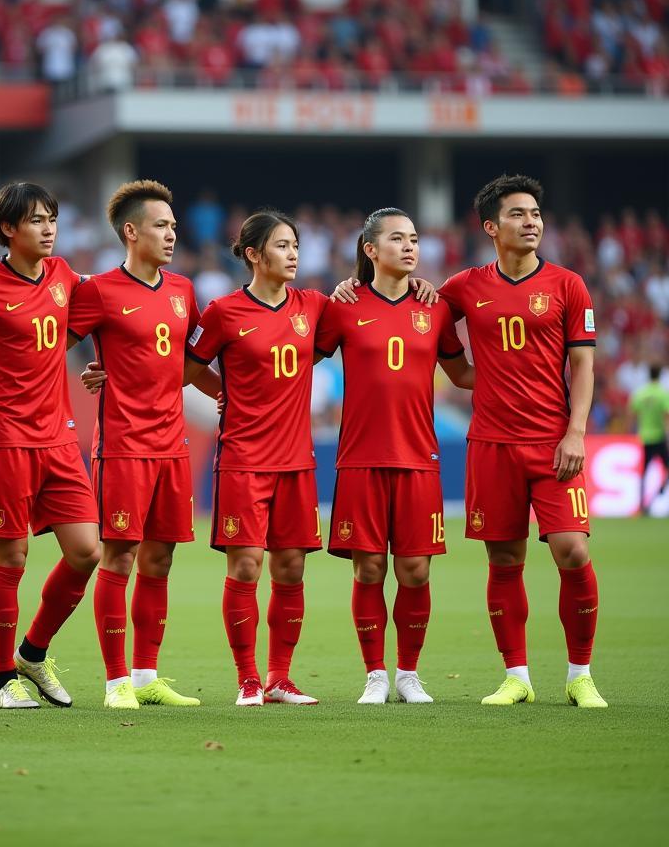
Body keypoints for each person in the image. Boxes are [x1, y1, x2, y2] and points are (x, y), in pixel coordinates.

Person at [339, 175, 605, 707]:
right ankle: (517, 677)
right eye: (518, 214)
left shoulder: (568, 285)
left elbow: (583, 363)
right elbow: (422, 322)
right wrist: (354, 285)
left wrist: (576, 431)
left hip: (555, 442)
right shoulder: (460, 288)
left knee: (572, 551)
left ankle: (580, 675)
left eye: (536, 213)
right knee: (503, 561)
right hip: (490, 443)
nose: (532, 222)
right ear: (491, 227)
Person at [68, 180, 217, 709]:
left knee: (161, 560)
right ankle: (115, 684)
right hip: (123, 445)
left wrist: (233, 399)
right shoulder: (99, 291)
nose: (172, 233)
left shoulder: (182, 291)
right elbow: (46, 342)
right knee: (120, 556)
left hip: (173, 445)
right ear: (131, 232)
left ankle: (147, 674)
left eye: (174, 225)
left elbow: (194, 365)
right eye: (161, 225)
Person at [317, 209, 473, 705]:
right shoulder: (341, 306)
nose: (410, 247)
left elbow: (464, 374)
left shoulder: (436, 308)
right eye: (397, 239)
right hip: (360, 458)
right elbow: (295, 357)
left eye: (415, 239)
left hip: (419, 458)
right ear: (370, 250)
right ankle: (375, 675)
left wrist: (533, 367)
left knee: (416, 572)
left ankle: (408, 673)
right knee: (367, 571)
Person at [184, 211, 329, 706]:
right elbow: (186, 367)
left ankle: (280, 678)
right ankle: (247, 678)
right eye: (283, 246)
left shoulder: (314, 306)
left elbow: (369, 319)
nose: (293, 254)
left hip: (297, 462)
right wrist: (222, 390)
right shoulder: (223, 312)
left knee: (290, 569)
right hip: (243, 458)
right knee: (245, 567)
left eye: (295, 245)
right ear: (253, 254)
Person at [0, 183, 101, 709]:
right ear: (8, 230)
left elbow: (110, 312)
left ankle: (33, 651)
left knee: (87, 551)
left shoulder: (66, 276)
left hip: (61, 438)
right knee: (12, 557)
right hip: (6, 439)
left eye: (52, 219)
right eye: (37, 221)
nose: (48, 229)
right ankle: (3, 681)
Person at [629, 365, 669, 515]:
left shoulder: (641, 393)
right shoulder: (663, 394)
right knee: (666, 466)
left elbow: (632, 412)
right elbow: (666, 415)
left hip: (644, 437)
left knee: (644, 472)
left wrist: (632, 429)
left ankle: (641, 505)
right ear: (660, 375)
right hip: (659, 436)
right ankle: (661, 489)